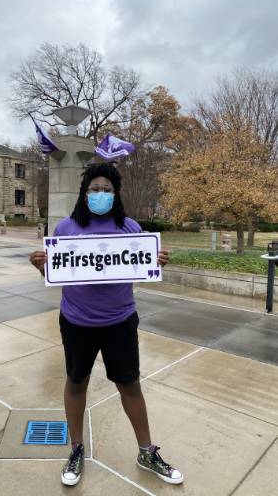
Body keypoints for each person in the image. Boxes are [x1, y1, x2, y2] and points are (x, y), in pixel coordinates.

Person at [29, 163, 183, 487]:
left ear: (116, 194)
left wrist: (155, 261)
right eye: (95, 189)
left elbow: (142, 266)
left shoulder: (130, 228)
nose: (101, 194)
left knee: (130, 386)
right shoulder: (66, 229)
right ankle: (76, 450)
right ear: (84, 194)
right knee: (76, 383)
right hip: (76, 322)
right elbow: (58, 274)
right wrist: (41, 267)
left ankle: (146, 451)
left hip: (120, 322)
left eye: (107, 190)